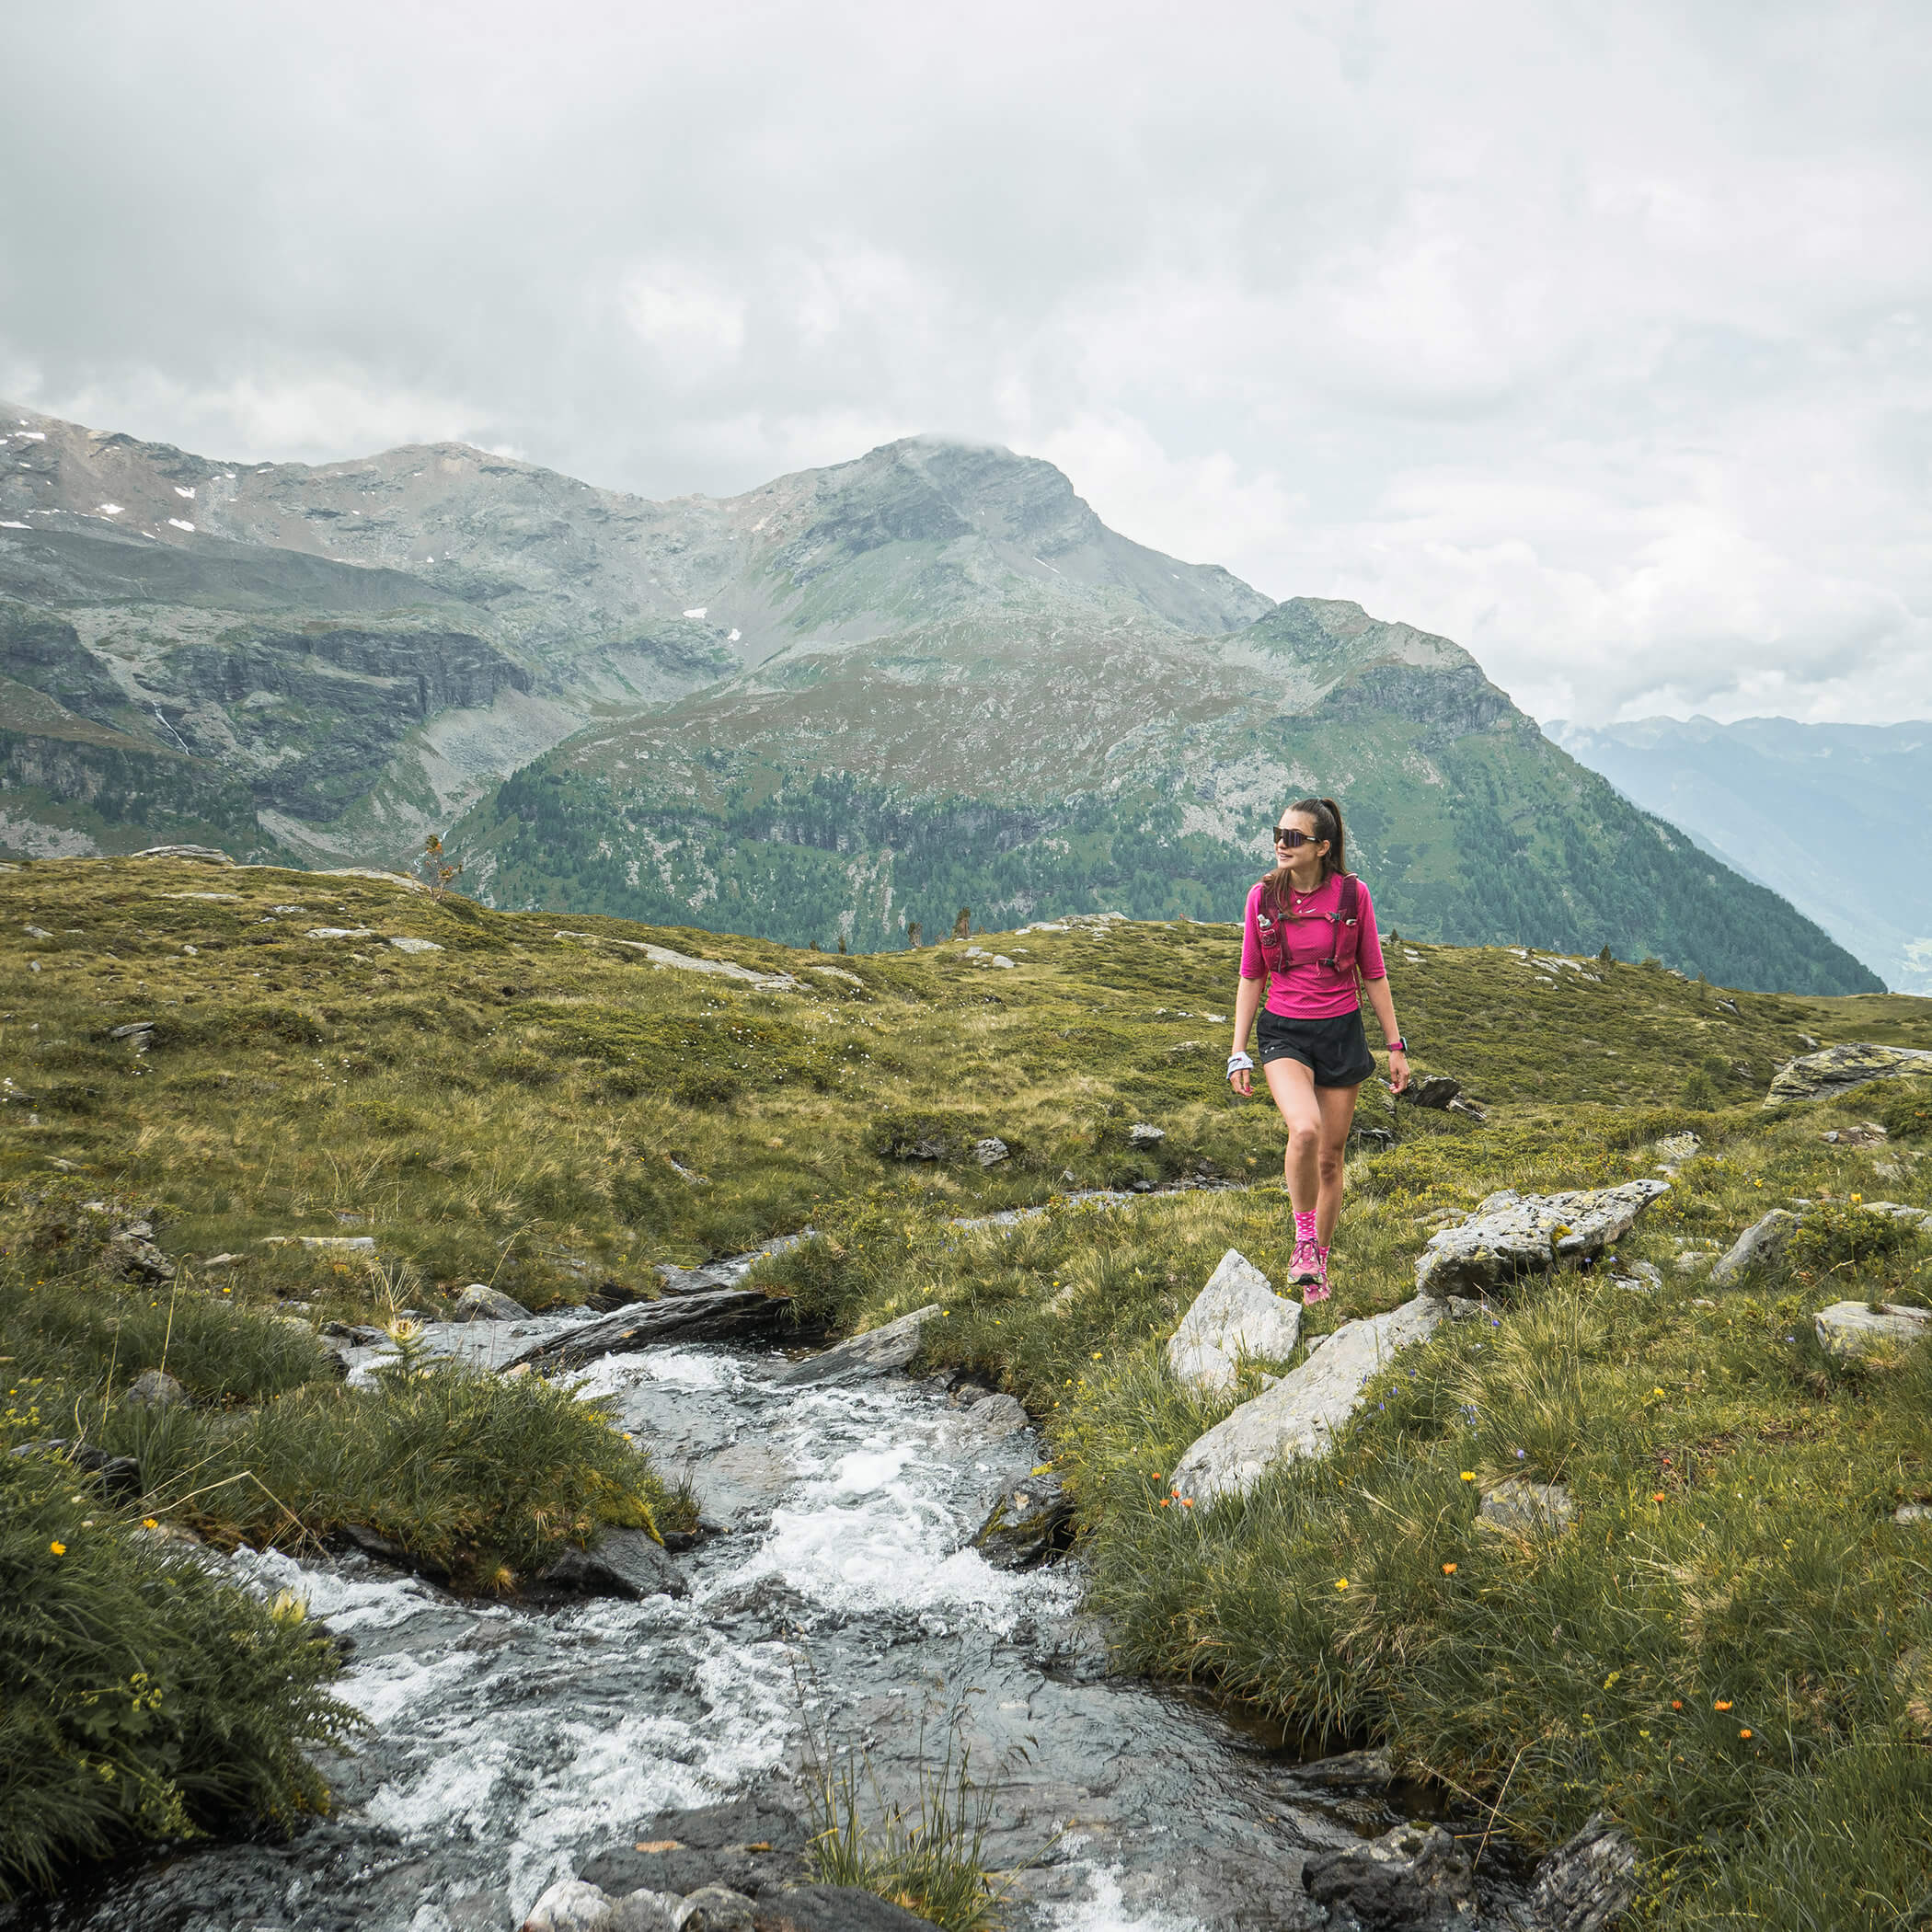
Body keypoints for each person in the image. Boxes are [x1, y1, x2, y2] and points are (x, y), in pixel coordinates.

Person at [1225, 797, 1409, 1304]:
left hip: (1341, 1032)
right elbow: (1251, 974)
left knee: (1331, 1159)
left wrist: (1395, 1045)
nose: (1281, 844)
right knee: (1303, 1129)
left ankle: (1318, 1270)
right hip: (1284, 1031)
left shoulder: (1353, 896)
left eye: (1294, 837)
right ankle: (1303, 1241)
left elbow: (1373, 971)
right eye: (1278, 833)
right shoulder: (1261, 897)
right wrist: (1238, 1052)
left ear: (1322, 847)